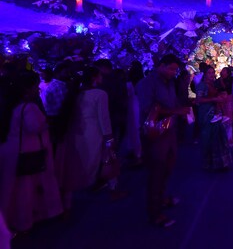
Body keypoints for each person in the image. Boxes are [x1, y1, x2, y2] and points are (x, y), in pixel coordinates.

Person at [56, 67, 123, 212]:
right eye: (100, 75)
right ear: (95, 77)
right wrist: (109, 137)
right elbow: (103, 117)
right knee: (108, 160)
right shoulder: (100, 94)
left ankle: (66, 204)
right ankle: (114, 191)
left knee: (74, 167)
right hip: (95, 132)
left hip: (77, 132)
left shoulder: (76, 93)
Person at [3, 71, 63, 232]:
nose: (38, 90)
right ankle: (29, 219)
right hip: (31, 150)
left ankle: (20, 219)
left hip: (15, 150)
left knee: (19, 187)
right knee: (29, 187)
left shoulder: (11, 105)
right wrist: (47, 122)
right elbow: (34, 127)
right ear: (26, 89)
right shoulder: (28, 107)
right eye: (35, 87)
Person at [136, 54, 190, 228]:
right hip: (155, 133)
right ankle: (155, 213)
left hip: (169, 131)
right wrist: (175, 112)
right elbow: (149, 109)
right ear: (161, 65)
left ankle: (162, 197)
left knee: (167, 167)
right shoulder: (147, 83)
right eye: (171, 69)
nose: (174, 73)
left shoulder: (169, 83)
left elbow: (173, 102)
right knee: (156, 172)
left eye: (176, 70)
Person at [195, 66, 232, 170]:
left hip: (215, 114)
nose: (212, 75)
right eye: (209, 73)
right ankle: (209, 164)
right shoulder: (202, 85)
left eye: (213, 72)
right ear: (204, 74)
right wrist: (214, 99)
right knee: (208, 139)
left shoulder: (213, 84)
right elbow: (199, 100)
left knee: (219, 137)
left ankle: (221, 163)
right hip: (206, 114)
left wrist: (221, 96)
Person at [126, 61, 144, 164]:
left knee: (132, 129)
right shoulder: (142, 81)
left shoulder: (129, 82)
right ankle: (139, 154)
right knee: (137, 128)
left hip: (131, 105)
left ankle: (135, 152)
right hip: (138, 104)